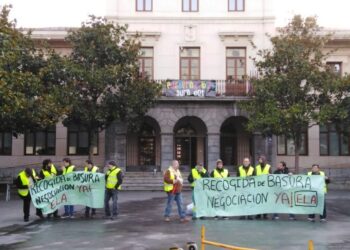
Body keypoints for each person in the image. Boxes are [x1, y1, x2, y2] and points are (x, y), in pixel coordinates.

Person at [255, 155, 272, 219]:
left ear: (264, 160)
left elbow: (271, 176)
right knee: (258, 200)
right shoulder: (257, 167)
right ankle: (258, 214)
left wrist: (269, 175)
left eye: (261, 159)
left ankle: (265, 214)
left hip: (266, 186)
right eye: (259, 159)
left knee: (265, 200)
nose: (259, 161)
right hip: (259, 186)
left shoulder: (268, 167)